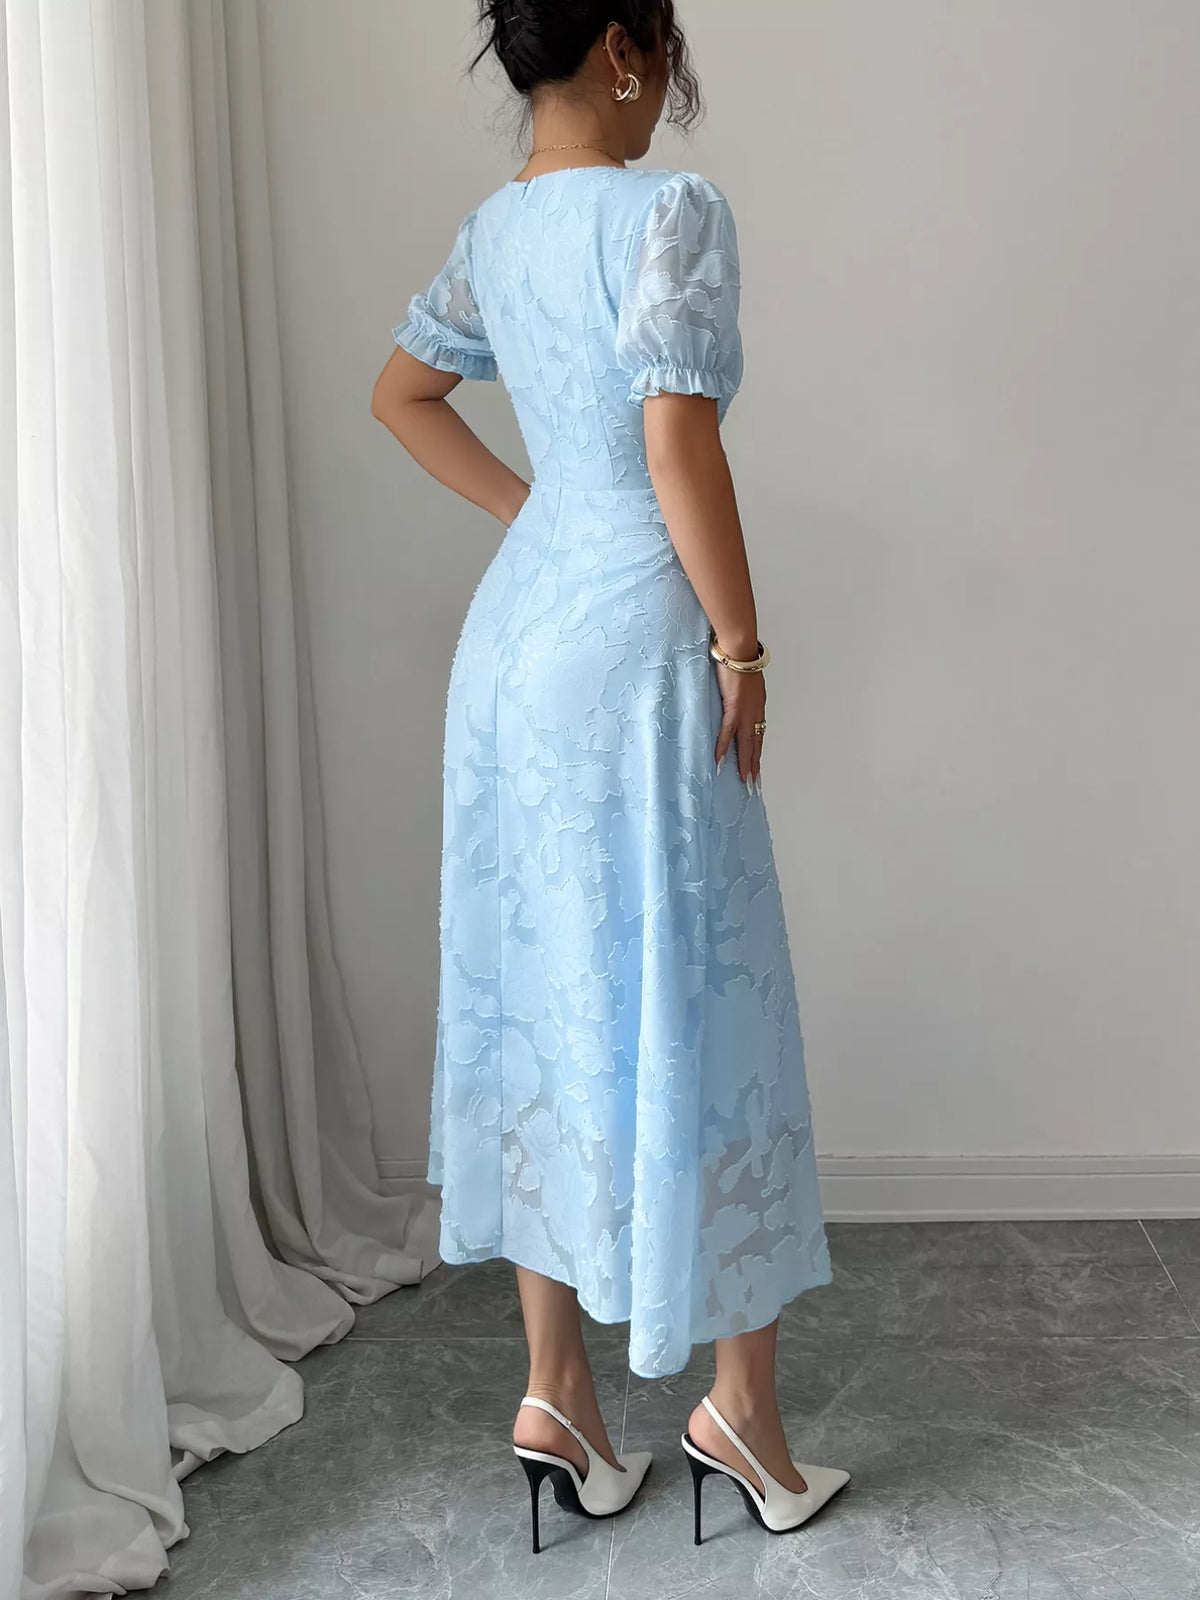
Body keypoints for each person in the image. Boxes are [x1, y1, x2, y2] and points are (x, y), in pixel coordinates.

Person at [370, 0, 849, 1553]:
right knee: (706, 990)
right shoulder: (670, 212)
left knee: (544, 985)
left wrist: (535, 520)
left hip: (511, 651)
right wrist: (744, 643)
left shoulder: (491, 234)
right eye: (666, 69)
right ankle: (744, 1417)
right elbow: (676, 445)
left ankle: (559, 1393)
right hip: (638, 645)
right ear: (629, 52)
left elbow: (401, 394)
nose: (665, 104)